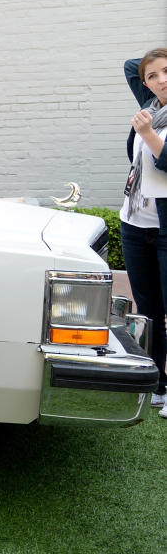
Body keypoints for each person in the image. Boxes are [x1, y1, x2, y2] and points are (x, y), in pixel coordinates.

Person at [120, 50, 167, 417]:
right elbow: (129, 66)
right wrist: (149, 68)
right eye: (153, 76)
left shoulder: (148, 120)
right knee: (148, 309)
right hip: (136, 224)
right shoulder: (150, 106)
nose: (160, 80)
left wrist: (147, 133)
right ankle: (156, 383)